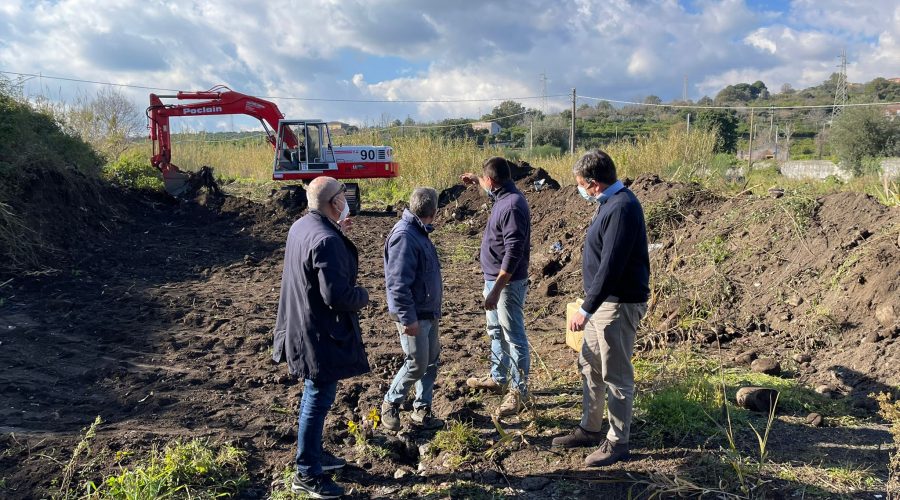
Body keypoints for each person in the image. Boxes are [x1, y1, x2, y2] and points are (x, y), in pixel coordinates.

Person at [551, 150, 650, 468]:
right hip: (602, 304)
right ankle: (590, 428)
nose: (579, 190)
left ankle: (618, 442)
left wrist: (587, 308)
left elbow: (611, 265)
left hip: (617, 305)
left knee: (615, 374)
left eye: (580, 184)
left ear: (593, 183)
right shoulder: (610, 203)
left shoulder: (622, 207)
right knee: (590, 364)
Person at [272, 176, 369, 498]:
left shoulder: (301, 227)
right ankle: (307, 472)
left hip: (300, 324)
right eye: (343, 194)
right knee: (318, 398)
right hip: (319, 334)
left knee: (314, 395)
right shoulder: (326, 240)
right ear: (335, 202)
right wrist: (363, 295)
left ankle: (313, 454)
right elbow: (336, 295)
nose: (347, 199)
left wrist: (338, 235)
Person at [460, 157, 532, 417]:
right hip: (494, 280)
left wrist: (497, 289)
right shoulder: (503, 195)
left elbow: (514, 252)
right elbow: (491, 189)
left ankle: (518, 393)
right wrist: (475, 179)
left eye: (484, 180)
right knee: (496, 331)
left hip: (506, 284)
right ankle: (498, 377)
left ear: (492, 180)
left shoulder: (511, 206)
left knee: (514, 337)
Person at [380, 188, 445, 432]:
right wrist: (408, 318)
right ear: (434, 211)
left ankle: (422, 409)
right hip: (414, 315)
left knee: (430, 361)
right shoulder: (405, 236)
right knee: (417, 362)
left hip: (428, 311)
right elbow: (397, 284)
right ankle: (391, 402)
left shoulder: (419, 232)